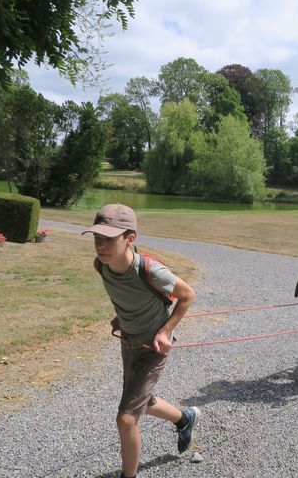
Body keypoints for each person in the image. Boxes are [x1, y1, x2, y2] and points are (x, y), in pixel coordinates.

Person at [83, 203, 201, 478]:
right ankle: (185, 419)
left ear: (130, 239)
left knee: (126, 418)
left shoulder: (151, 269)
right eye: (97, 238)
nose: (101, 245)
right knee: (142, 402)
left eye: (109, 239)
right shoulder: (102, 266)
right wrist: (122, 318)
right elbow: (122, 295)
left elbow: (188, 295)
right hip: (129, 342)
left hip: (153, 347)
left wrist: (165, 330)